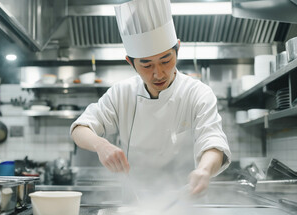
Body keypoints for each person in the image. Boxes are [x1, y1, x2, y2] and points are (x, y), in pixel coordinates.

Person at [71, 0, 231, 195]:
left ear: (177, 49)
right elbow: (80, 128)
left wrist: (204, 170)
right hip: (135, 204)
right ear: (130, 62)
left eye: (166, 60)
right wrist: (101, 145)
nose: (158, 73)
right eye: (147, 65)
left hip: (185, 202)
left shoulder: (197, 93)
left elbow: (213, 141)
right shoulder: (121, 94)